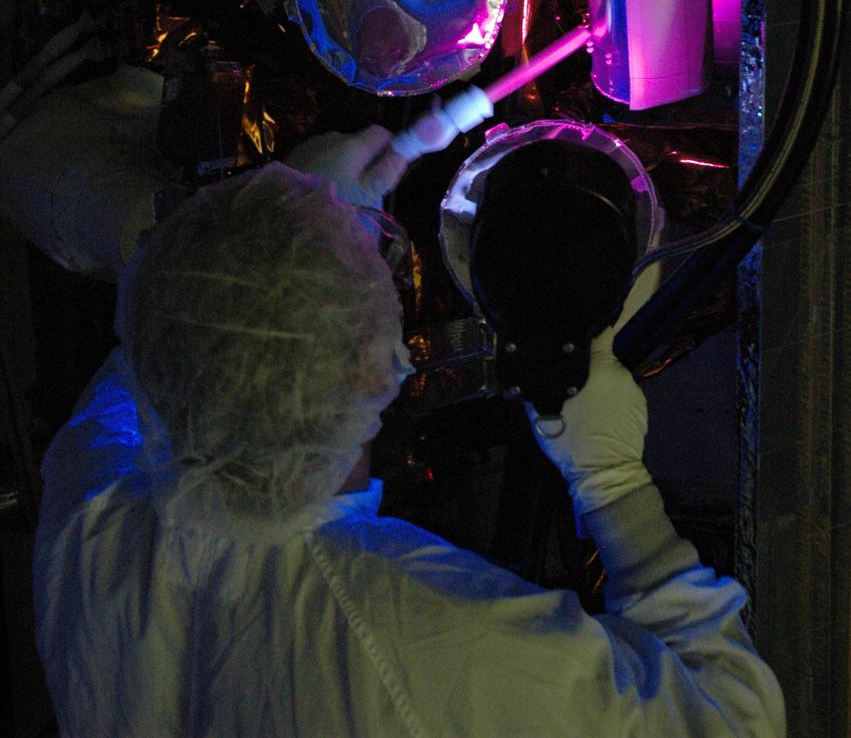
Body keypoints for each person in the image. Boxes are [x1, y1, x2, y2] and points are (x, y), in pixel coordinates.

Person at [33, 125, 786, 737]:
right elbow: (732, 720)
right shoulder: (437, 645)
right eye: (377, 277)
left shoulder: (93, 514)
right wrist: (614, 487)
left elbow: (180, 331)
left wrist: (285, 213)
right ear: (384, 370)